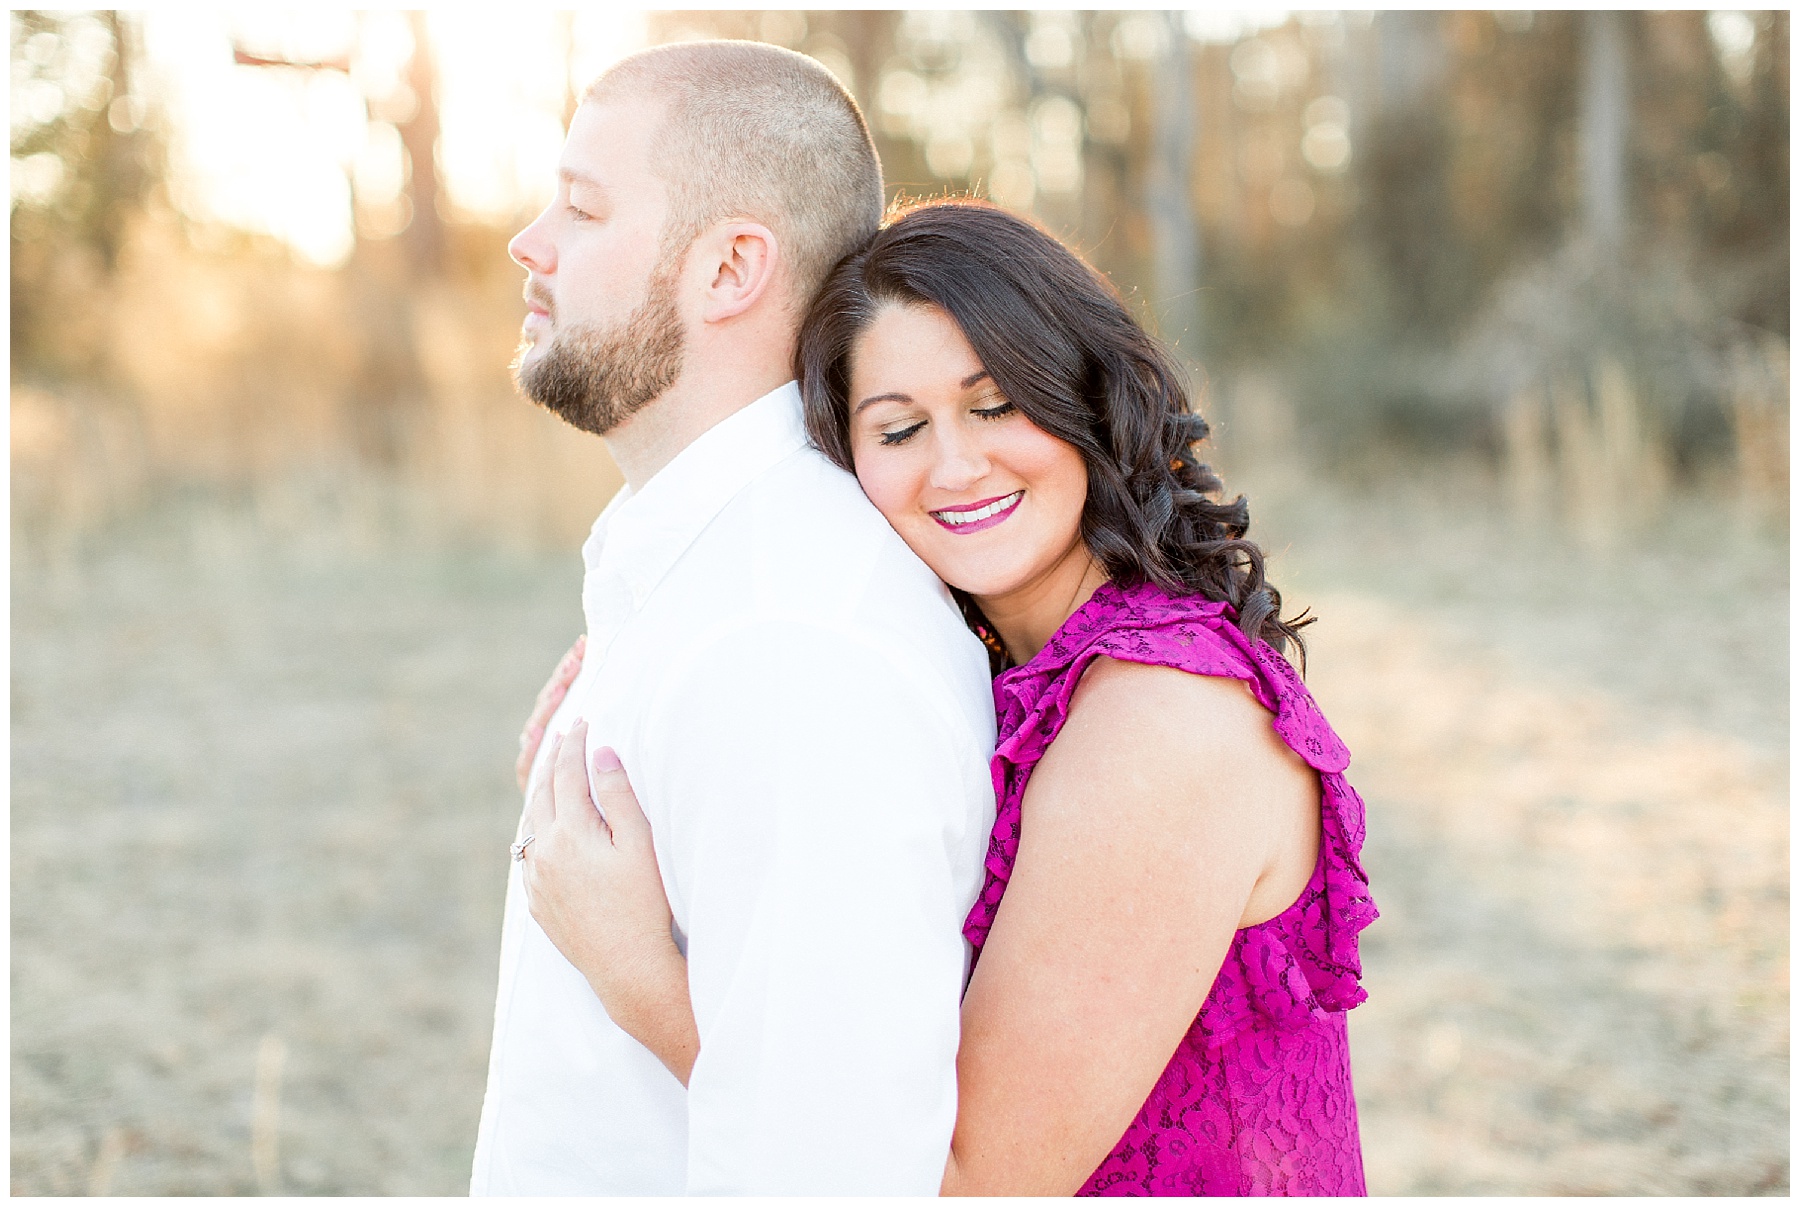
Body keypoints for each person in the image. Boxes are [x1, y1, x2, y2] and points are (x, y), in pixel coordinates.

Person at [520, 201, 1379, 1195]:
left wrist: (637, 975)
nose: (956, 465)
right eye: (898, 428)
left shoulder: (1161, 717)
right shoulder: (999, 669)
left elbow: (971, 1184)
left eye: (996, 403)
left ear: (1086, 398)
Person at [470, 43, 999, 1196]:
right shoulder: (701, 579)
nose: (532, 240)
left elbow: (831, 1169)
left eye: (583, 204)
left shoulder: (794, 642)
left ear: (730, 267)